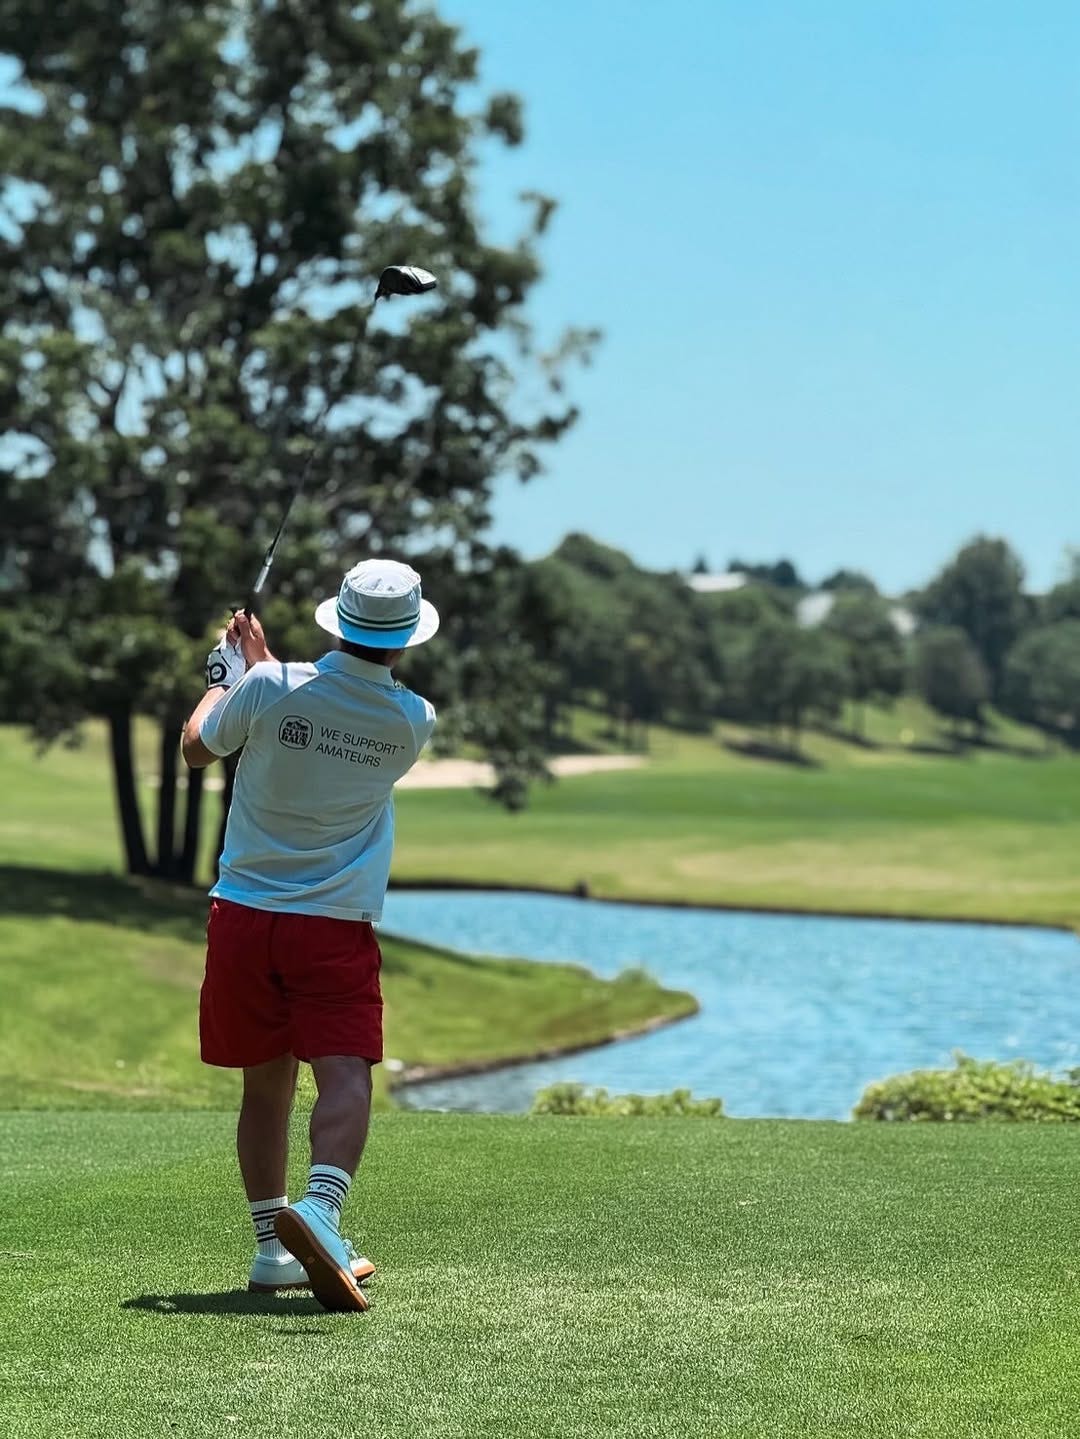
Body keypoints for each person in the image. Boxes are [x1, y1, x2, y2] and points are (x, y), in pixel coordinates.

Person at [181, 558, 439, 1313]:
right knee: (346, 1072)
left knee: (265, 1084)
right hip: (331, 925)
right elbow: (316, 712)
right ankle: (323, 1212)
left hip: (244, 917)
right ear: (405, 639)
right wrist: (256, 674)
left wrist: (224, 674)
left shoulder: (268, 687)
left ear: (340, 618)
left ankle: (272, 1248)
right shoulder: (411, 721)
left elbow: (199, 745)